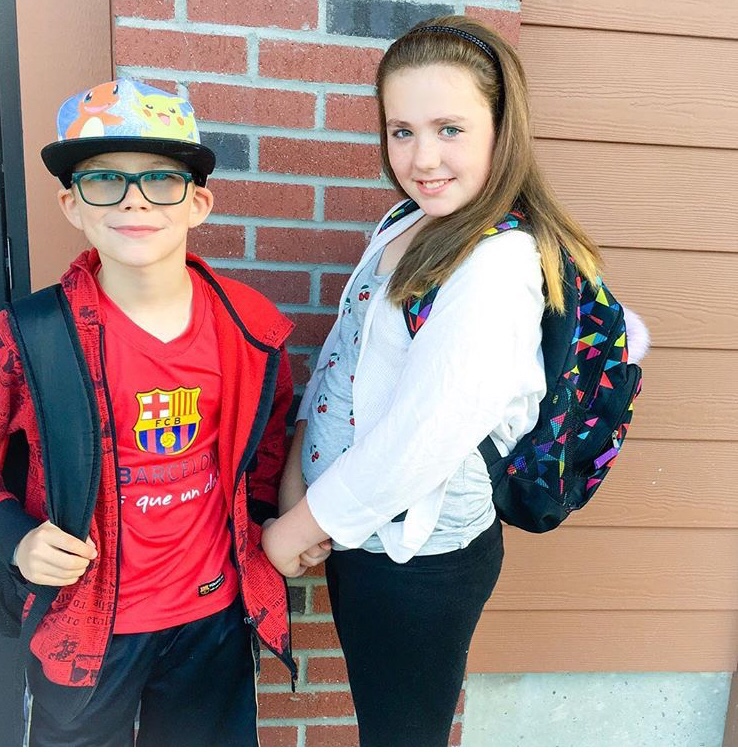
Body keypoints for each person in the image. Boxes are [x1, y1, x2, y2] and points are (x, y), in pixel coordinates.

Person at [262, 15, 612, 747]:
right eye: (402, 131)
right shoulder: (406, 220)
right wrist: (299, 478)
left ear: (501, 130)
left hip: (418, 559)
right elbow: (343, 358)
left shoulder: (496, 265)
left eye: (450, 128)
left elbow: (425, 435)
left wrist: (298, 526)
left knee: (402, 735)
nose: (422, 158)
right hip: (358, 529)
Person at [0, 78, 296, 746]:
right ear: (71, 204)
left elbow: (265, 450)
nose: (134, 199)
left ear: (198, 202)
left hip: (212, 617)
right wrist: (15, 537)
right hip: (85, 626)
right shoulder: (30, 337)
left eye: (161, 179)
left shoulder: (249, 329)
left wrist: (263, 527)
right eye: (104, 178)